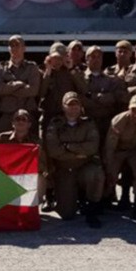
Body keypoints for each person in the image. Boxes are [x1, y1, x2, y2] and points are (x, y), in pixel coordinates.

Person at [44, 92, 103, 227]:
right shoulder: (55, 124)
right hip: (64, 169)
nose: (73, 108)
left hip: (84, 166)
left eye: (76, 105)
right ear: (63, 107)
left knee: (96, 173)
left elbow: (92, 147)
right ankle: (74, 198)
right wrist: (78, 153)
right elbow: (53, 150)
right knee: (67, 214)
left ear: (80, 107)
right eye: (69, 105)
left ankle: (91, 208)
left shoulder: (88, 123)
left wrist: (68, 147)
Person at [82, 45, 127, 150]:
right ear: (86, 59)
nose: (96, 59)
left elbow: (115, 98)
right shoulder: (80, 78)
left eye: (99, 57)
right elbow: (82, 99)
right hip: (86, 123)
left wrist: (93, 96)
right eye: (93, 56)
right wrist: (100, 98)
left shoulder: (111, 80)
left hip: (106, 123)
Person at [0, 34, 42, 134]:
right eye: (11, 46)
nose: (14, 48)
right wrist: (19, 84)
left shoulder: (32, 67)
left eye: (17, 45)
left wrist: (8, 90)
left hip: (28, 116)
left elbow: (33, 90)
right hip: (7, 116)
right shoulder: (1, 67)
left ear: (24, 48)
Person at [0, 108, 45, 204]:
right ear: (12, 123)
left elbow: (43, 165)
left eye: (24, 119)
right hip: (9, 174)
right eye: (17, 119)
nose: (20, 122)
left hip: (28, 175)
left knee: (41, 177)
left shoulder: (36, 142)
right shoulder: (3, 138)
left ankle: (36, 202)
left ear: (29, 124)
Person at [39, 43, 87, 135]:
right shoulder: (44, 72)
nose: (57, 62)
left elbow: (83, 89)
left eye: (60, 58)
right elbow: (41, 93)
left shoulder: (73, 71)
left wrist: (71, 69)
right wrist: (48, 72)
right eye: (55, 59)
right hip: (50, 114)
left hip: (68, 115)